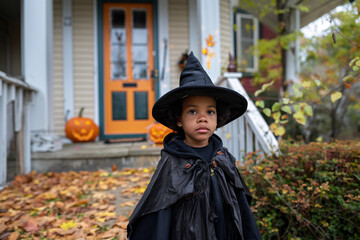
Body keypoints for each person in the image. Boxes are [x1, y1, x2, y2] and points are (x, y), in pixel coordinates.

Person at [127, 52, 262, 240]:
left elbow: (240, 208)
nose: (202, 118)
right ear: (179, 119)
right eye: (192, 111)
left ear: (218, 117)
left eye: (210, 111)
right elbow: (159, 214)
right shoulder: (173, 163)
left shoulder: (223, 158)